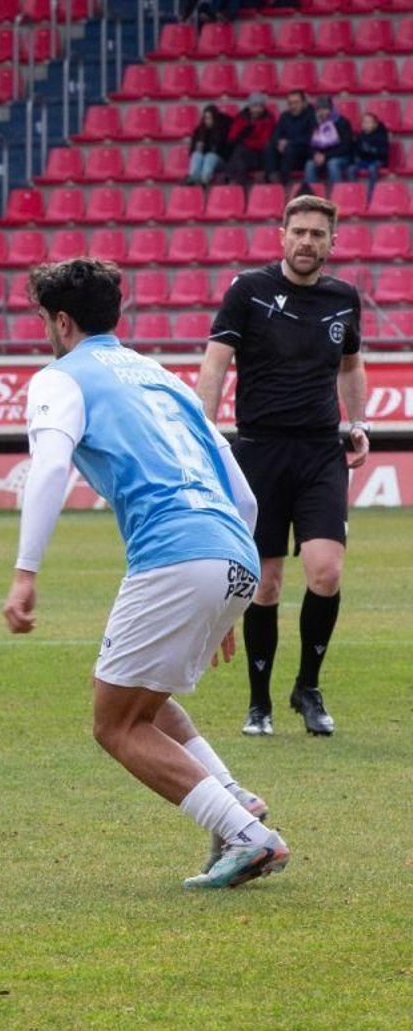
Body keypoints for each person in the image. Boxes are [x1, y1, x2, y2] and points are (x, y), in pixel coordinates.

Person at [5, 257, 286, 890]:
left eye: (45, 319)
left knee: (115, 723)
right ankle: (236, 797)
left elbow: (49, 469)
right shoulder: (164, 377)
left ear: (63, 320)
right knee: (138, 695)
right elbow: (241, 492)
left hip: (177, 551)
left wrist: (26, 571)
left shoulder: (59, 378)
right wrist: (227, 598)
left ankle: (248, 834)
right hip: (229, 547)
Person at [197, 194, 368, 739]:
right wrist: (204, 430)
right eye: (299, 232)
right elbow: (216, 361)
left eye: (318, 234)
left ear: (331, 243)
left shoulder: (344, 299)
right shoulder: (248, 290)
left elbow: (350, 365)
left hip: (321, 451)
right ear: (282, 235)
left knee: (326, 571)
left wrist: (357, 422)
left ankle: (308, 687)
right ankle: (258, 703)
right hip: (259, 452)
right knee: (264, 585)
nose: (307, 242)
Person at [266, 90, 316, 190]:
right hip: (285, 153)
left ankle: (283, 184)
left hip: (303, 154)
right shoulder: (285, 116)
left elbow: (310, 138)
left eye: (296, 103)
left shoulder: (311, 116)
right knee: (270, 145)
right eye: (290, 103)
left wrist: (289, 142)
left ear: (304, 103)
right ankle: (271, 177)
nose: (293, 106)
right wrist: (279, 142)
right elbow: (276, 134)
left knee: (290, 148)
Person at [301, 97, 352, 193]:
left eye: (325, 109)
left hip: (340, 156)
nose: (322, 112)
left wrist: (326, 156)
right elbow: (308, 144)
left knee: (332, 164)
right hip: (319, 157)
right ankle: (311, 198)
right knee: (309, 165)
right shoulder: (312, 123)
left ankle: (338, 195)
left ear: (331, 109)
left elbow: (346, 146)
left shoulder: (342, 123)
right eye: (319, 109)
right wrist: (315, 154)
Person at [224, 93, 276, 188]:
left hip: (260, 156)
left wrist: (246, 142)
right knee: (240, 162)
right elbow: (232, 136)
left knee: (240, 150)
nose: (257, 109)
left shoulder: (268, 119)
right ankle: (240, 190)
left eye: (260, 106)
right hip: (244, 155)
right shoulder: (241, 118)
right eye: (254, 106)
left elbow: (263, 142)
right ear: (249, 106)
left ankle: (229, 177)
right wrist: (244, 130)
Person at [186, 104, 232, 187]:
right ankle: (193, 178)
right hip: (203, 160)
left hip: (220, 160)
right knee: (196, 155)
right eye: (205, 118)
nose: (207, 121)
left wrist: (211, 145)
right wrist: (197, 148)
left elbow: (224, 150)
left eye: (210, 118)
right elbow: (191, 151)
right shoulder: (199, 130)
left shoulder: (222, 129)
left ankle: (205, 179)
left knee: (210, 156)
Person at [350, 111, 390, 193]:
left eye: (369, 122)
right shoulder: (360, 136)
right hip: (364, 161)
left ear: (375, 124)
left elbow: (384, 152)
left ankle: (371, 195)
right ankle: (355, 193)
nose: (366, 124)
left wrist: (371, 150)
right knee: (351, 169)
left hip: (377, 160)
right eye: (364, 122)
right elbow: (357, 151)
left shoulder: (381, 135)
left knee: (372, 169)